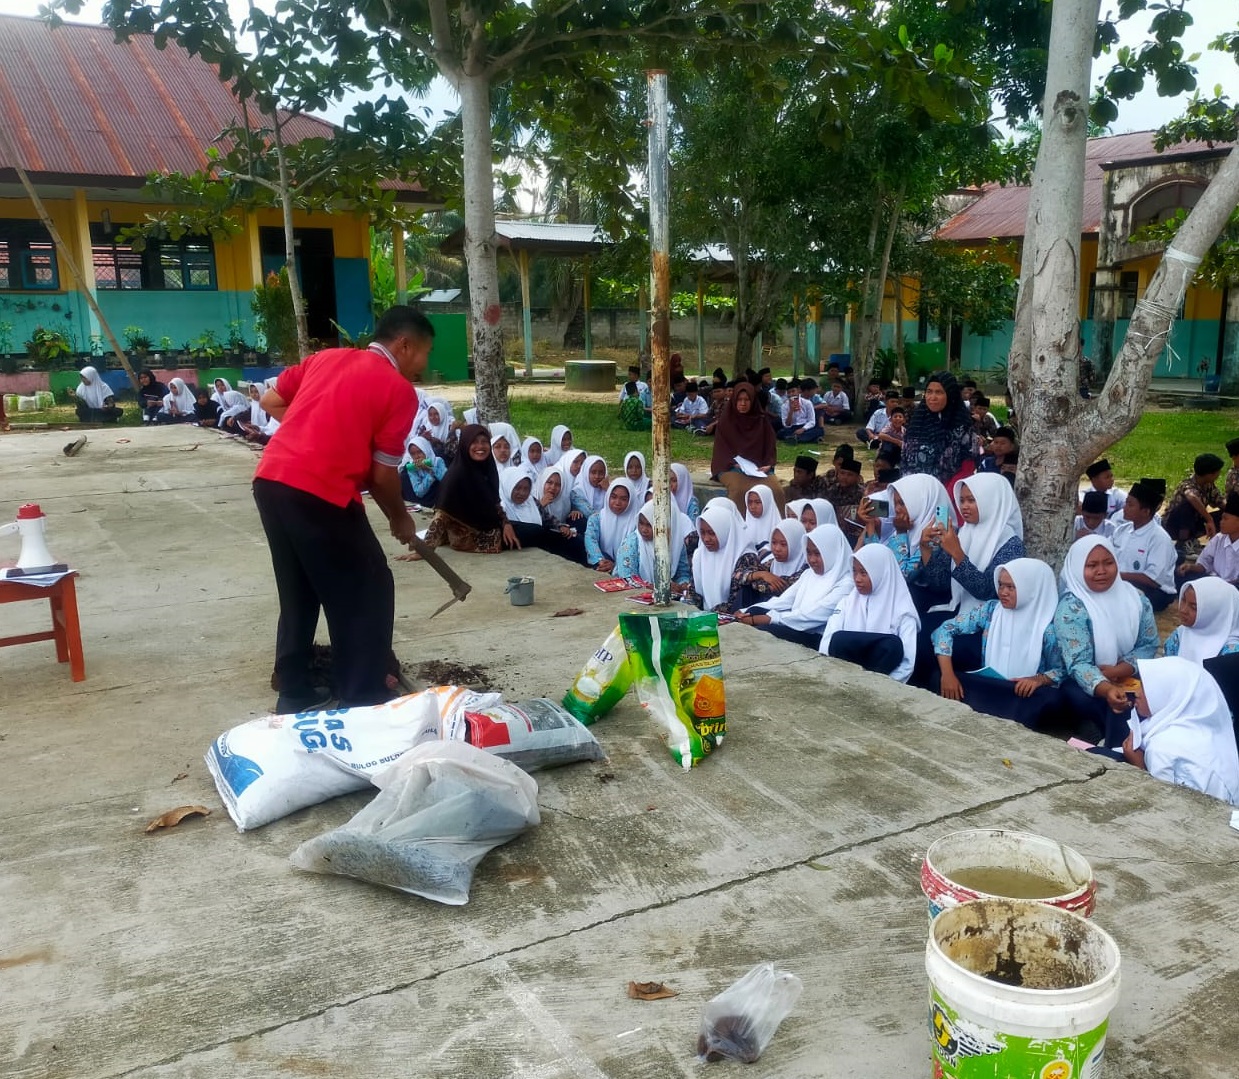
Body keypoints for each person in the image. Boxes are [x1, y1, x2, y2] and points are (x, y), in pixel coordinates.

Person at [253, 305, 432, 713]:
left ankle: (294, 689)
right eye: (425, 352)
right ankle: (362, 691)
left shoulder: (325, 358)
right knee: (369, 586)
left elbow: (271, 399)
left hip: (271, 482)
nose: (424, 363)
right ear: (404, 346)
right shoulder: (398, 390)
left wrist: (314, 433)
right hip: (320, 492)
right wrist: (400, 518)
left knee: (298, 588)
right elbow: (384, 476)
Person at [932, 559, 1067, 729]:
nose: (1002, 592)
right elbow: (945, 629)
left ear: (1031, 589)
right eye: (1001, 585)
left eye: (1011, 587)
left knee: (1050, 701)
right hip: (991, 686)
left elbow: (1063, 670)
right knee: (939, 678)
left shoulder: (1048, 628)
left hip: (1021, 692)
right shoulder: (991, 611)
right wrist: (948, 674)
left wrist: (1038, 680)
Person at [1054, 536, 1158, 747]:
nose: (1101, 571)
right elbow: (1078, 663)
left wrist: (1120, 670)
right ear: (1076, 568)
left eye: (1108, 563)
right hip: (1086, 682)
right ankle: (1115, 745)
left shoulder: (1136, 598)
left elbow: (1148, 644)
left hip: (1130, 675)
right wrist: (1106, 687)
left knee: (1151, 698)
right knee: (1111, 704)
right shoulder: (1072, 607)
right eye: (1091, 565)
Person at [1122, 658, 1239, 806]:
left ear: (1170, 695)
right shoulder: (1210, 731)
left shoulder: (1162, 749)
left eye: (1146, 688)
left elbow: (1161, 806)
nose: (1136, 693)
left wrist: (1138, 766)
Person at [737, 523, 854, 648]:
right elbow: (784, 601)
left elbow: (813, 616)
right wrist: (747, 611)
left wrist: (769, 619)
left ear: (832, 552)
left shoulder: (846, 583)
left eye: (817, 554)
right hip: (795, 625)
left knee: (766, 631)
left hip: (817, 637)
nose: (812, 559)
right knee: (752, 613)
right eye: (809, 553)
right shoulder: (809, 574)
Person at [820, 545, 921, 683]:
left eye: (863, 573)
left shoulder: (903, 612)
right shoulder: (847, 602)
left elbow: (906, 664)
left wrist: (878, 687)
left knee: (892, 645)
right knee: (837, 638)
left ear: (881, 573)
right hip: (843, 676)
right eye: (854, 571)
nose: (857, 579)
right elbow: (828, 641)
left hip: (880, 682)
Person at [418, 424, 520, 555]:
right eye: (474, 442)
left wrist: (506, 524)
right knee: (536, 533)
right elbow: (442, 514)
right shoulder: (457, 474)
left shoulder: (487, 468)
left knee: (536, 532)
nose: (480, 447)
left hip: (490, 526)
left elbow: (495, 503)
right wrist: (425, 550)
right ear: (465, 444)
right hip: (470, 537)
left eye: (484, 442)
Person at [858, 474, 952, 581]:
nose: (897, 509)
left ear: (920, 502)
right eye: (895, 503)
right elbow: (877, 563)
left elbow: (902, 575)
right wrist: (870, 524)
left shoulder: (937, 534)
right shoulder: (910, 527)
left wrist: (901, 533)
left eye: (902, 503)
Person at [711, 381, 785, 513]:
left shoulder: (761, 421)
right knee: (739, 491)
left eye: (747, 400)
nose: (743, 404)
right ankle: (739, 529)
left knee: (776, 490)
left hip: (759, 468)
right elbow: (722, 450)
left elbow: (770, 447)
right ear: (734, 401)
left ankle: (776, 530)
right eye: (739, 400)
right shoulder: (726, 421)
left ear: (753, 401)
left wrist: (769, 464)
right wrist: (735, 464)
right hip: (732, 467)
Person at [901, 371, 976, 487]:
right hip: (915, 491)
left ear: (950, 394)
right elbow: (905, 462)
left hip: (949, 495)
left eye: (939, 392)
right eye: (929, 392)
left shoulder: (962, 426)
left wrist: (947, 494)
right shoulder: (916, 423)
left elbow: (968, 465)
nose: (932, 397)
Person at [1111, 481, 1177, 612]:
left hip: (1154, 590)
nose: (1124, 508)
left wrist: (1117, 575)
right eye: (1126, 503)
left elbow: (1153, 580)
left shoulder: (1159, 538)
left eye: (1130, 504)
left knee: (1124, 601)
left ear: (1145, 511)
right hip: (1122, 581)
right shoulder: (1121, 530)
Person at [689, 500, 763, 613]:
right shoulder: (700, 555)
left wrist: (707, 615)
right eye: (702, 532)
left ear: (725, 530)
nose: (706, 539)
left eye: (712, 533)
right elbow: (695, 594)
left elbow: (737, 602)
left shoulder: (745, 557)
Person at [615, 502, 694, 590]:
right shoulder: (632, 543)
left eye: (650, 525)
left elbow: (682, 573)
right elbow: (627, 578)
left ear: (666, 525)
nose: (644, 530)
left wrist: (681, 585)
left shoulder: (676, 544)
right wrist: (657, 588)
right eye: (641, 523)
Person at [1162, 578, 1239, 661]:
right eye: (1183, 600)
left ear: (1214, 613)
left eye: (1194, 607)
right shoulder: (1181, 634)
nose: (1183, 610)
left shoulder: (1231, 654)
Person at [1163, 453, 1224, 553]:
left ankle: (1196, 541)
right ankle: (1182, 544)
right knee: (1188, 505)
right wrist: (1209, 520)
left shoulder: (1209, 486)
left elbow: (1220, 501)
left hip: (1193, 524)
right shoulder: (1187, 484)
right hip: (1173, 525)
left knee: (1225, 515)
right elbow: (1192, 497)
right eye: (1217, 472)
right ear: (1209, 474)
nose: (1219, 474)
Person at [583, 478, 641, 574]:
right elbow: (590, 539)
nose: (617, 503)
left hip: (626, 570)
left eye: (624, 499)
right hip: (601, 565)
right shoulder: (597, 518)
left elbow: (637, 553)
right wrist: (600, 560)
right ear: (608, 497)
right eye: (613, 497)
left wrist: (616, 566)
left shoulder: (637, 524)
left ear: (631, 501)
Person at [1181, 492, 1239, 584]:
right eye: (1222, 518)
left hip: (1234, 590)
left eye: (1225, 519)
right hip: (1215, 584)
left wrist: (1226, 587)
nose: (1221, 522)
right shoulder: (1219, 539)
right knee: (1186, 577)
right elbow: (1204, 563)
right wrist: (1191, 567)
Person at [400, 436, 446, 505]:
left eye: (419, 452)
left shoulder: (438, 461)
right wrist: (430, 475)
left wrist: (430, 469)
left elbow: (447, 481)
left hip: (440, 500)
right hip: (425, 503)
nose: (417, 456)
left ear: (425, 449)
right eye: (413, 454)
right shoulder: (412, 467)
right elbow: (419, 492)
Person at [742, 485, 780, 555]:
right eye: (750, 502)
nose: (753, 507)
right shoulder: (743, 528)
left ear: (767, 502)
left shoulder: (779, 529)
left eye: (758, 502)